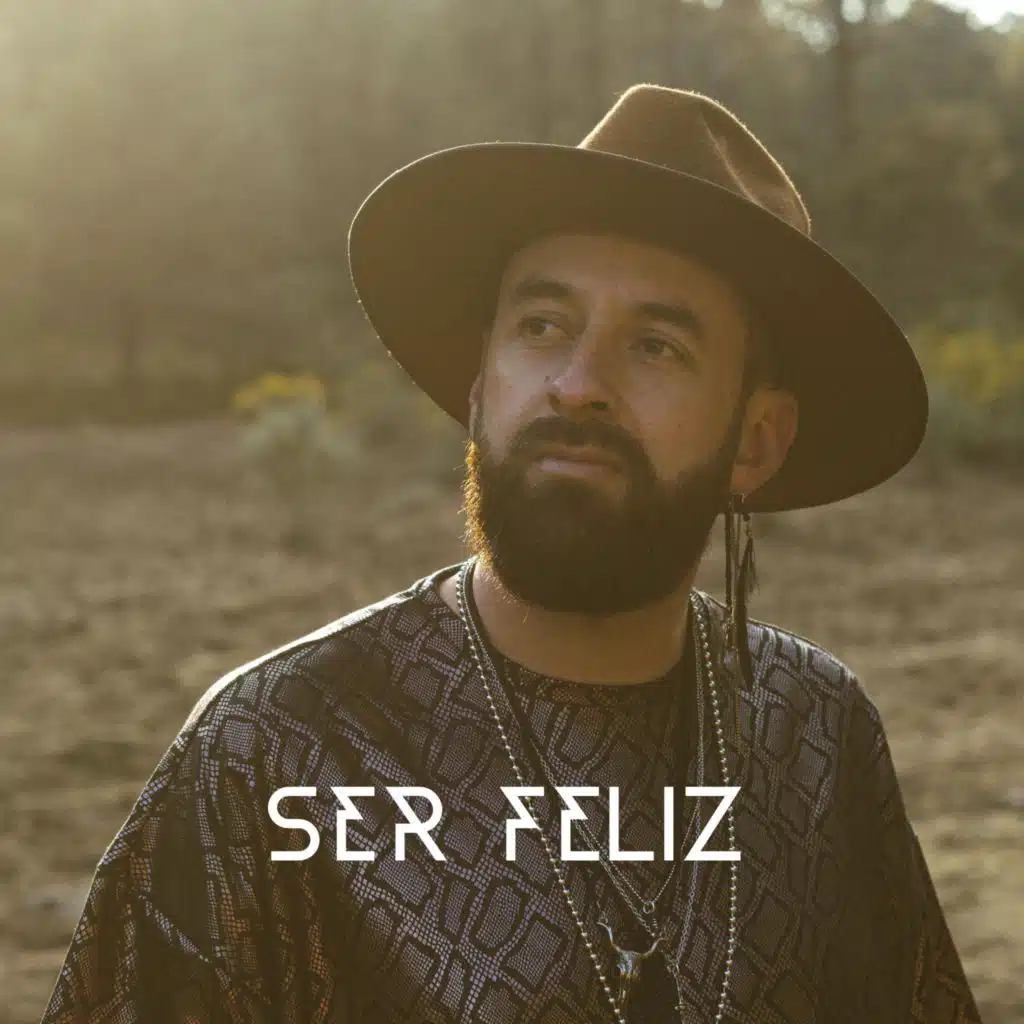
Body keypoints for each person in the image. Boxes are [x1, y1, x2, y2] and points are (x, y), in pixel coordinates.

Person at [41, 84, 982, 1023]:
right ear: (479, 387)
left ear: (756, 441)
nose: (577, 384)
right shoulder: (280, 750)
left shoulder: (816, 733)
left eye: (657, 346)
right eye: (542, 327)